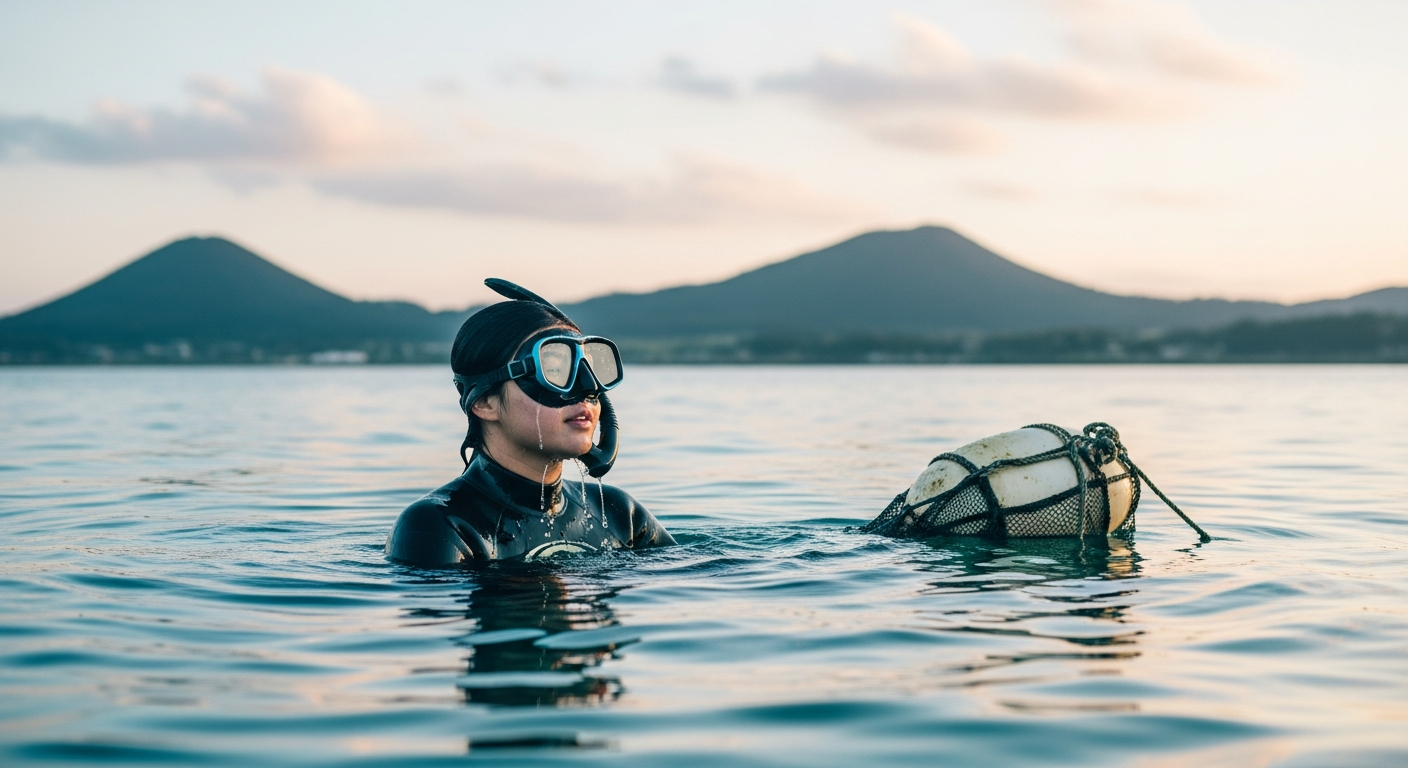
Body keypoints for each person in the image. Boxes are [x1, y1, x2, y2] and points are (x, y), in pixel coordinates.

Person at [385, 279, 675, 566]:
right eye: (554, 369)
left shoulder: (619, 514)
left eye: (589, 365)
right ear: (484, 402)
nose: (588, 387)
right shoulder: (440, 526)